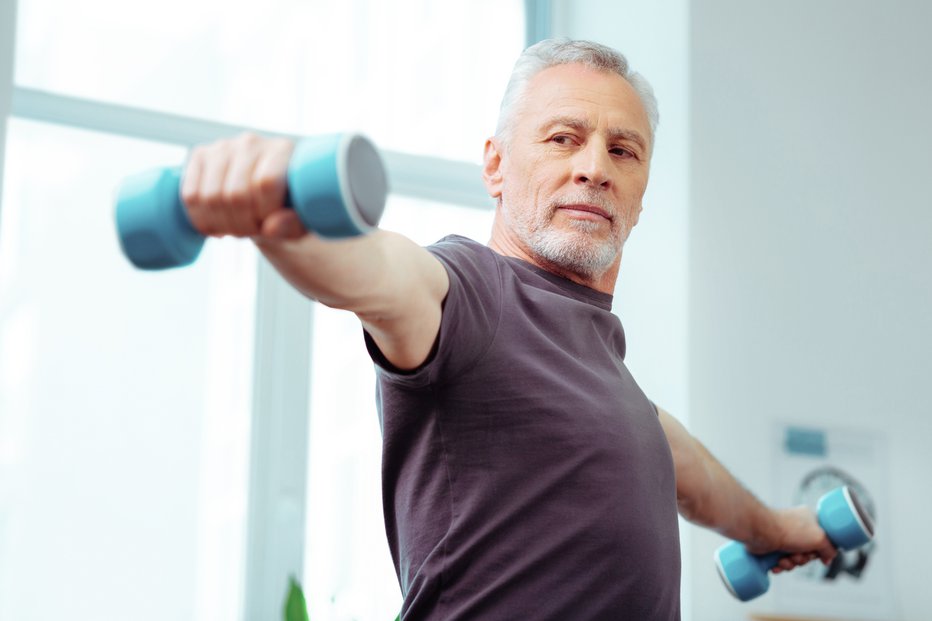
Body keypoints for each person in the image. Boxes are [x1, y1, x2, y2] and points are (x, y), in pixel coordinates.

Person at [180, 39, 836, 620]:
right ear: (495, 166)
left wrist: (774, 526)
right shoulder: (473, 292)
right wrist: (278, 214)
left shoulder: (607, 374)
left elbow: (675, 459)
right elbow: (381, 271)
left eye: (622, 150)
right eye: (562, 138)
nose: (595, 167)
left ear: (640, 197)